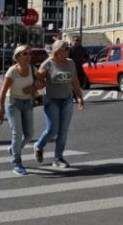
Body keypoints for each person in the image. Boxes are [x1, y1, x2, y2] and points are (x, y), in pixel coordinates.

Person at [32, 39, 85, 168]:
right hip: (52, 100)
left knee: (63, 131)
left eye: (68, 48)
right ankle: (39, 146)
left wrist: (79, 96)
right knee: (52, 130)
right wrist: (39, 86)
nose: (68, 51)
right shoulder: (48, 64)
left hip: (67, 100)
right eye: (66, 48)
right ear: (57, 51)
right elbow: (37, 79)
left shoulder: (71, 63)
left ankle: (58, 158)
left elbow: (75, 81)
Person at [0, 44, 43, 175]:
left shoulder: (32, 69)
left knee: (29, 134)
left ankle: (14, 149)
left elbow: (42, 82)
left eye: (30, 54)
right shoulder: (12, 71)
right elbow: (3, 91)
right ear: (17, 56)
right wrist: (0, 109)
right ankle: (17, 163)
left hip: (28, 102)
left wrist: (36, 86)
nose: (28, 56)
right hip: (13, 103)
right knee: (17, 133)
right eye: (25, 54)